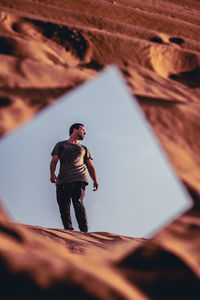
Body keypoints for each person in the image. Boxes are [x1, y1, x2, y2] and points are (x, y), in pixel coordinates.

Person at [50, 123, 98, 232]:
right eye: (83, 130)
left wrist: (95, 180)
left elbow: (90, 166)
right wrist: (52, 173)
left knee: (78, 203)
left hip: (78, 179)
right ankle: (69, 232)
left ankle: (84, 232)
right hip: (62, 181)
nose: (85, 133)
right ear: (75, 130)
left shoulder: (84, 148)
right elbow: (54, 160)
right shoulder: (61, 145)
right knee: (64, 209)